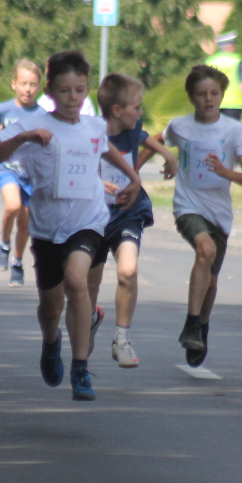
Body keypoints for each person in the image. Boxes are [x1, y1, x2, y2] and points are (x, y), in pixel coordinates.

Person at [0, 51, 141, 402]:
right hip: (47, 228)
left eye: (80, 91)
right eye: (64, 91)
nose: (73, 98)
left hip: (88, 221)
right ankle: (51, 341)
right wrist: (24, 140)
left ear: (87, 90)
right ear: (49, 91)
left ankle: (80, 368)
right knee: (50, 307)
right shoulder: (31, 126)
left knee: (76, 280)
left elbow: (104, 149)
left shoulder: (94, 126)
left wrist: (133, 177)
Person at [159, 64, 242, 367]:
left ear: (222, 96)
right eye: (201, 94)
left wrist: (226, 172)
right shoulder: (180, 126)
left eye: (214, 93)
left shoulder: (234, 131)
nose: (208, 99)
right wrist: (139, 169)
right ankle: (191, 323)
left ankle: (201, 328)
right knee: (205, 249)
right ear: (191, 97)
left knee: (211, 282)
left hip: (219, 213)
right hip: (188, 206)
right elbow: (153, 140)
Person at [86, 73, 178, 368]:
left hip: (128, 212)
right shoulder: (91, 133)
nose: (140, 113)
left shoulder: (132, 128)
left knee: (128, 270)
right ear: (117, 110)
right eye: (136, 107)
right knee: (91, 283)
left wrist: (167, 155)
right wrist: (96, 184)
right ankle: (90, 317)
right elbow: (79, 168)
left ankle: (122, 339)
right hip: (95, 216)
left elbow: (145, 137)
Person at [0, 60, 46, 287]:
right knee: (12, 206)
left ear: (39, 86)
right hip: (8, 168)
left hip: (31, 175)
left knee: (25, 223)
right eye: (23, 84)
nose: (27, 89)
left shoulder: (43, 114)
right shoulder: (4, 109)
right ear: (14, 84)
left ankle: (17, 262)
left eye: (32, 84)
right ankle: (4, 244)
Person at [204, 31, 242, 122]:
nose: (234, 48)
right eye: (233, 45)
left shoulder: (209, 62)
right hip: (233, 104)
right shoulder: (236, 60)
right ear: (228, 47)